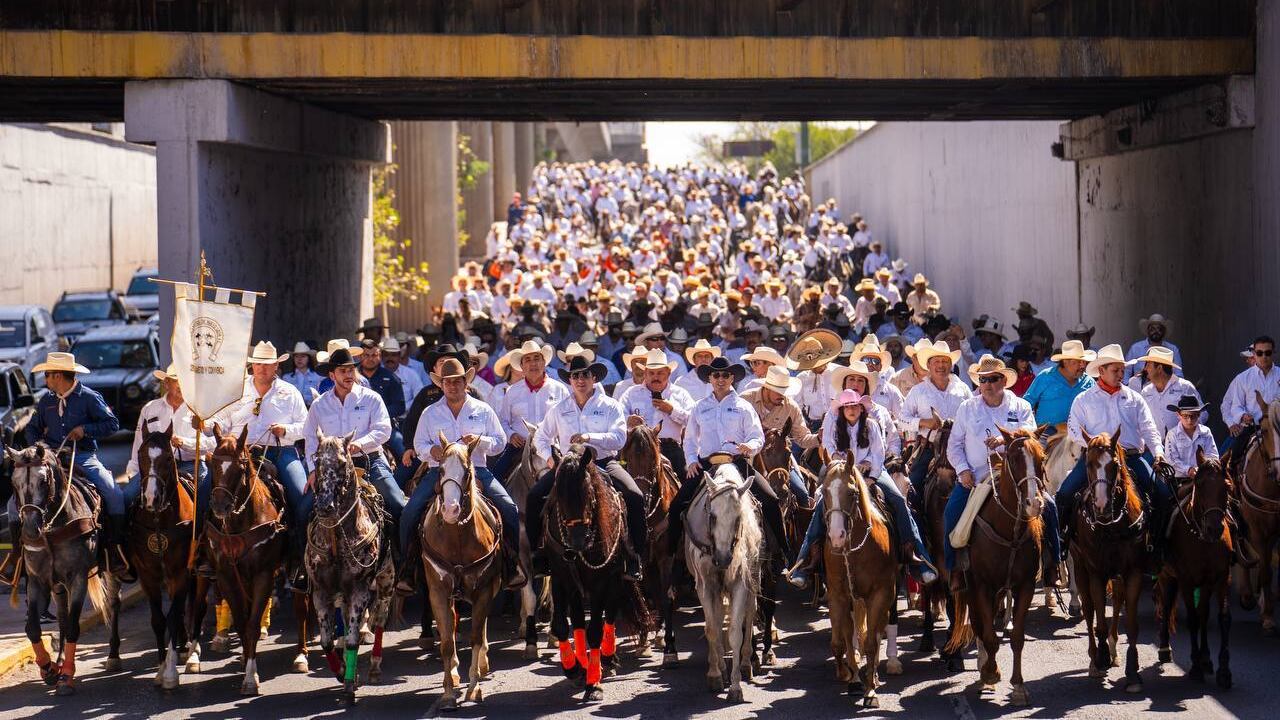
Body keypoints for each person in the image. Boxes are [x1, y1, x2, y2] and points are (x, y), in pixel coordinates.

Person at [786, 389, 936, 587]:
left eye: (855, 406)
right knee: (822, 503)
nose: (851, 410)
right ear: (842, 410)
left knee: (899, 500)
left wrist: (871, 474)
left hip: (873, 472)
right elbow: (829, 448)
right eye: (847, 407)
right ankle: (805, 561)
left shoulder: (871, 425)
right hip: (842, 472)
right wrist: (839, 463)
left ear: (861, 408)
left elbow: (879, 452)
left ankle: (917, 557)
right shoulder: (834, 426)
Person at [400, 357, 522, 593]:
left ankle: (512, 562)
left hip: (476, 469)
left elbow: (500, 442)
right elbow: (419, 444)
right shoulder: (429, 412)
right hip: (439, 471)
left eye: (457, 381)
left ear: (466, 382)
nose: (452, 386)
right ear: (441, 385)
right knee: (410, 512)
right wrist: (432, 451)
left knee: (509, 508)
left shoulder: (482, 409)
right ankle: (407, 567)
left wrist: (480, 442)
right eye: (447, 382)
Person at [526, 355, 648, 580]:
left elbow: (619, 438)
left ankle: (635, 555)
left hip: (602, 461)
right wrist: (551, 460)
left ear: (594, 378)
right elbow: (540, 438)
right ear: (570, 380)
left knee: (635, 496)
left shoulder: (610, 405)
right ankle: (539, 554)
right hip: (569, 466)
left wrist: (589, 437)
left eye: (585, 375)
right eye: (575, 376)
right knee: (534, 497)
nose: (580, 380)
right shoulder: (559, 408)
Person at [1055, 344, 1171, 565]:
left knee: (1163, 493)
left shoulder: (1134, 398)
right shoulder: (1084, 399)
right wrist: (1097, 445)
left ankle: (1155, 544)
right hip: (1094, 458)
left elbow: (1149, 428)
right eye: (1116, 370)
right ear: (1101, 371)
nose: (1121, 375)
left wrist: (1158, 452)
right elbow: (1073, 430)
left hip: (1130, 457)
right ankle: (1062, 543)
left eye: (1122, 370)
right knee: (1064, 494)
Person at [667, 356, 790, 561]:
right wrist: (691, 461)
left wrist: (749, 447)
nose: (720, 379)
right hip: (706, 464)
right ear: (710, 378)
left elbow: (757, 436)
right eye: (716, 375)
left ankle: (782, 555)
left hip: (737, 461)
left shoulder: (743, 406)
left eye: (725, 375)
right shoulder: (699, 407)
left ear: (732, 378)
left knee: (771, 500)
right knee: (676, 505)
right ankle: (675, 558)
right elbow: (689, 439)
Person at [942, 355, 1053, 579]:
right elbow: (954, 445)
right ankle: (954, 570)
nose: (987, 384)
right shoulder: (967, 408)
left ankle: (1053, 566)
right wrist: (962, 470)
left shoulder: (1020, 406)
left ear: (1004, 380)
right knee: (950, 514)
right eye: (983, 380)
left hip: (1016, 476)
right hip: (976, 476)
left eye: (993, 379)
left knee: (1050, 508)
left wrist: (1004, 440)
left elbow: (1030, 437)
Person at [20, 352, 128, 579]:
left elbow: (112, 424)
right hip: (50, 458)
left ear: (58, 376)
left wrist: (85, 430)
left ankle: (115, 547)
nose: (45, 379)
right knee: (16, 502)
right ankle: (20, 555)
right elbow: (32, 428)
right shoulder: (47, 400)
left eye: (47, 375)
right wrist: (38, 447)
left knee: (114, 493)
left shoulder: (89, 397)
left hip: (83, 456)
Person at [221, 341, 311, 586]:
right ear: (252, 365)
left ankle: (301, 554)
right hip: (242, 453)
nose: (261, 368)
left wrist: (286, 430)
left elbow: (306, 426)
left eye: (267, 364)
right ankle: (206, 550)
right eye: (258, 364)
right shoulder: (236, 391)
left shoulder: (289, 392)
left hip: (281, 452)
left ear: (276, 366)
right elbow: (221, 421)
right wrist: (206, 426)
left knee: (302, 496)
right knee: (213, 489)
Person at [303, 346, 407, 528]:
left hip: (370, 461)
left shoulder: (372, 398)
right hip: (331, 466)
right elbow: (311, 437)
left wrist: (360, 443)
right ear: (332, 376)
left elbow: (384, 429)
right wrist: (313, 470)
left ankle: (400, 546)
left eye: (351, 370)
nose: (348, 375)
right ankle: (300, 546)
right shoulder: (319, 405)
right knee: (302, 509)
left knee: (397, 503)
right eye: (342, 371)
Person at [123, 364, 211, 519]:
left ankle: (202, 533)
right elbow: (139, 444)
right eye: (177, 380)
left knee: (205, 501)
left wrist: (185, 443)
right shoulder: (150, 408)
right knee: (127, 496)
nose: (182, 385)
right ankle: (124, 533)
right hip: (154, 466)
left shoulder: (200, 409)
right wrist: (134, 471)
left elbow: (212, 443)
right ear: (166, 383)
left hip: (192, 465)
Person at [490, 340, 570, 482]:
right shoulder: (512, 392)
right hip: (519, 448)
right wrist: (511, 435)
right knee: (495, 479)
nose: (533, 363)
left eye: (537, 358)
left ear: (544, 363)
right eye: (527, 360)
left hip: (552, 446)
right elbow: (502, 421)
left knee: (572, 480)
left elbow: (568, 420)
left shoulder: (560, 389)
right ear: (522, 366)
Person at [902, 340, 973, 499]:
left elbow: (974, 415)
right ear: (929, 365)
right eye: (936, 362)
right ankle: (915, 515)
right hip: (930, 448)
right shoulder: (918, 391)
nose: (941, 365)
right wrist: (923, 422)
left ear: (951, 365)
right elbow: (902, 419)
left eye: (945, 361)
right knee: (913, 486)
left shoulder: (962, 389)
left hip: (961, 448)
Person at [739, 365, 818, 506]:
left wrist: (819, 438)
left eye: (784, 391)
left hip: (779, 458)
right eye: (778, 391)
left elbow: (802, 438)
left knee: (802, 493)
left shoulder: (790, 407)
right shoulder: (745, 400)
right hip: (746, 455)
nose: (782, 395)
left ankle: (804, 519)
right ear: (766, 388)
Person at [618, 349, 695, 475]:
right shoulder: (631, 393)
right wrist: (628, 420)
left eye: (660, 373)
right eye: (651, 373)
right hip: (639, 448)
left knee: (687, 479)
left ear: (668, 373)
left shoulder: (680, 394)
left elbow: (693, 420)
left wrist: (672, 410)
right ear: (645, 373)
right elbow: (617, 417)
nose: (655, 377)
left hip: (671, 448)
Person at [1219, 335, 1280, 457]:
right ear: (1254, 354)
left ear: (1273, 353)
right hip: (1253, 428)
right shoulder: (1242, 378)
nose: (1264, 356)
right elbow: (1235, 406)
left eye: (1267, 353)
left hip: (1277, 426)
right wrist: (1243, 415)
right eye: (1260, 353)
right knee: (1233, 456)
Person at [1022, 340, 1095, 428]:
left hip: (1079, 432)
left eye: (1084, 362)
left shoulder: (1089, 382)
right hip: (1046, 432)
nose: (1083, 366)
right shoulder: (1046, 377)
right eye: (1078, 362)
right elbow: (1025, 404)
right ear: (1065, 362)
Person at [1137, 346, 1202, 438]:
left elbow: (1202, 414)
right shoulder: (1146, 392)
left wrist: (1188, 432)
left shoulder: (1185, 387)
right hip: (1154, 445)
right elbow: (1141, 420)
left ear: (1159, 368)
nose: (1145, 368)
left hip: (1182, 444)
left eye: (1148, 364)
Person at [1125, 314, 1184, 383]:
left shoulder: (1173, 349)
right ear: (1147, 330)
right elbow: (1126, 371)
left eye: (1159, 329)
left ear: (1164, 331)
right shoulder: (1135, 348)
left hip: (1165, 388)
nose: (1156, 331)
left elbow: (1179, 375)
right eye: (1152, 329)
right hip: (1140, 387)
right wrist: (1129, 386)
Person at [282, 342, 324, 407]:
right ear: (293, 359)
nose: (299, 359)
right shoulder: (286, 378)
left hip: (312, 409)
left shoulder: (318, 377)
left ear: (309, 358)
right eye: (296, 356)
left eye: (303, 356)